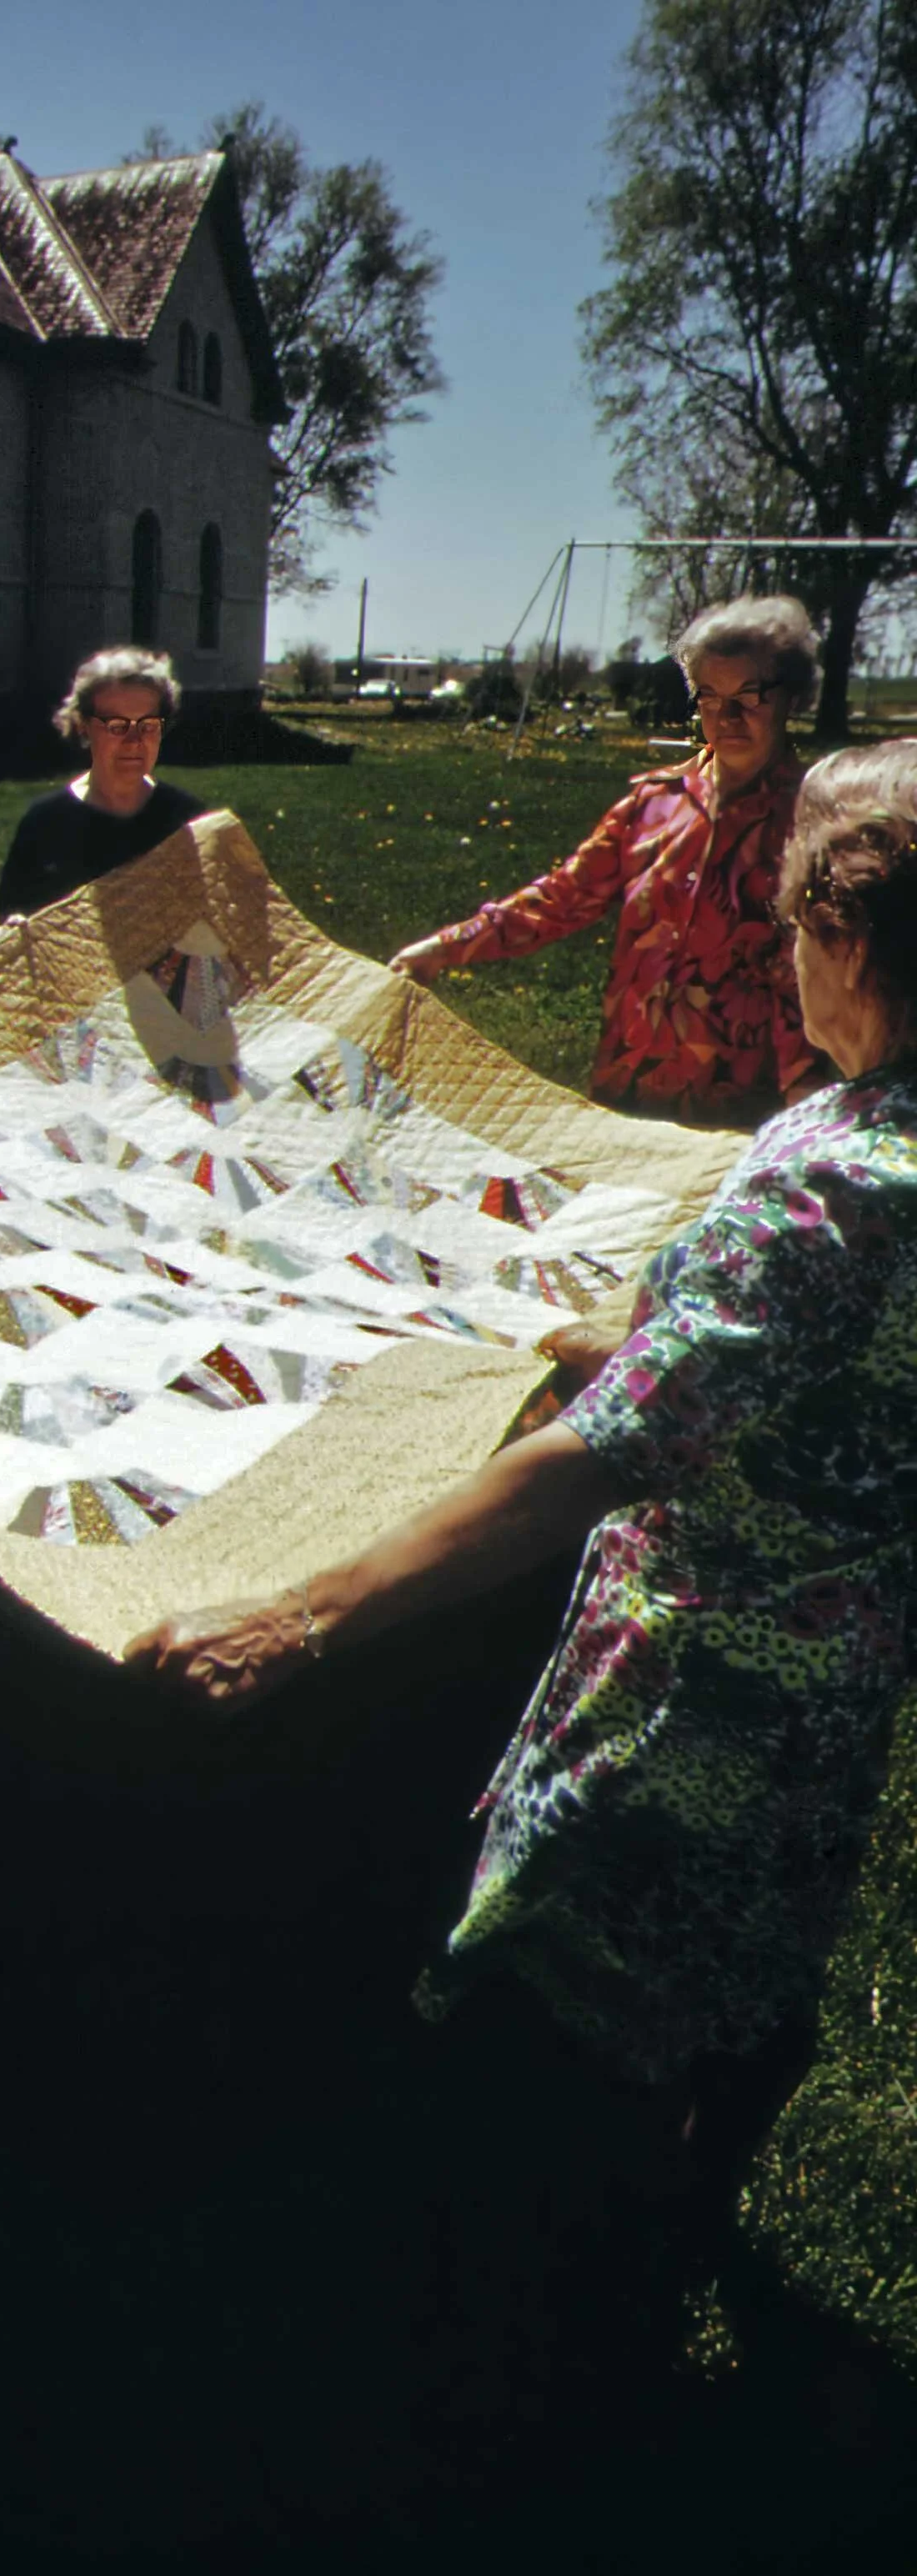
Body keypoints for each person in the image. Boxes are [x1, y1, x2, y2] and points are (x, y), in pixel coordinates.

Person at [131, 739, 917, 2184]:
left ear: (848, 945)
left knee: (607, 1977)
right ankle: (687, 2188)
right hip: (852, 1654)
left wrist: (300, 1618)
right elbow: (795, 1347)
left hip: (705, 1665)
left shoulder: (838, 1187)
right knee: (758, 1946)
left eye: (794, 937)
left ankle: (556, 2236)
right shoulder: (859, 1131)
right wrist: (625, 1320)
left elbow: (598, 1459)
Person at [389, 596, 824, 1125]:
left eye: (750, 697)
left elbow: (815, 969)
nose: (727, 717)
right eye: (710, 698)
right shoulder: (651, 804)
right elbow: (563, 898)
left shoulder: (815, 820)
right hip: (626, 1087)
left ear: (792, 699)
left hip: (742, 1107)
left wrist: (807, 1089)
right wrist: (445, 948)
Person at [0, 647, 207, 924]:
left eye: (148, 726)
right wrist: (7, 930)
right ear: (83, 727)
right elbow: (8, 916)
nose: (134, 741)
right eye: (117, 726)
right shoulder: (45, 823)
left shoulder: (187, 821)